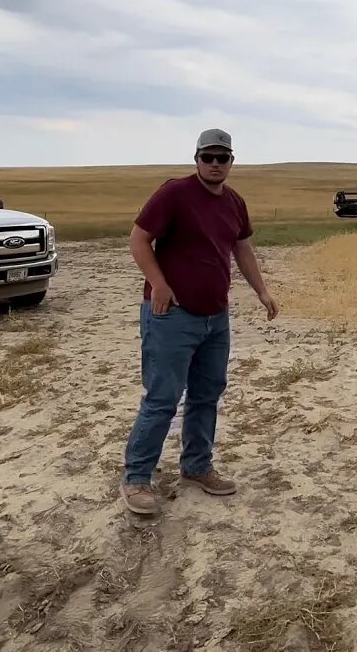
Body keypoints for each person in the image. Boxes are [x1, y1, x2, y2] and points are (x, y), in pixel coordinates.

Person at [119, 128, 278, 515]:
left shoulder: (234, 202)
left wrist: (262, 290)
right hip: (171, 315)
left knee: (207, 394)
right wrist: (158, 284)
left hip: (215, 317)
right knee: (162, 399)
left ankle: (197, 467)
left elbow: (242, 248)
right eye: (208, 157)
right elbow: (138, 240)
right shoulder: (174, 193)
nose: (214, 164)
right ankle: (137, 478)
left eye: (222, 158)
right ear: (196, 159)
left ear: (231, 162)